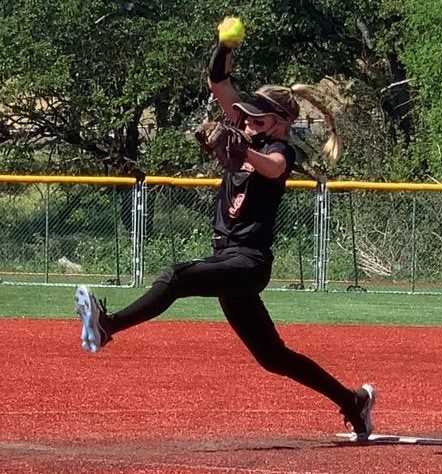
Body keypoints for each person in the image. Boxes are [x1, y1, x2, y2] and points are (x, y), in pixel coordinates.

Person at [74, 20, 376, 441]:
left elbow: (274, 168)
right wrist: (224, 45)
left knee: (177, 277)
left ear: (278, 123)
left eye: (257, 117)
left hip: (249, 262)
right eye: (247, 116)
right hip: (227, 261)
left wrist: (245, 149)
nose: (247, 120)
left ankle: (108, 327)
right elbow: (218, 80)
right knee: (273, 357)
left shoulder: (278, 148)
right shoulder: (247, 130)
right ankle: (353, 401)